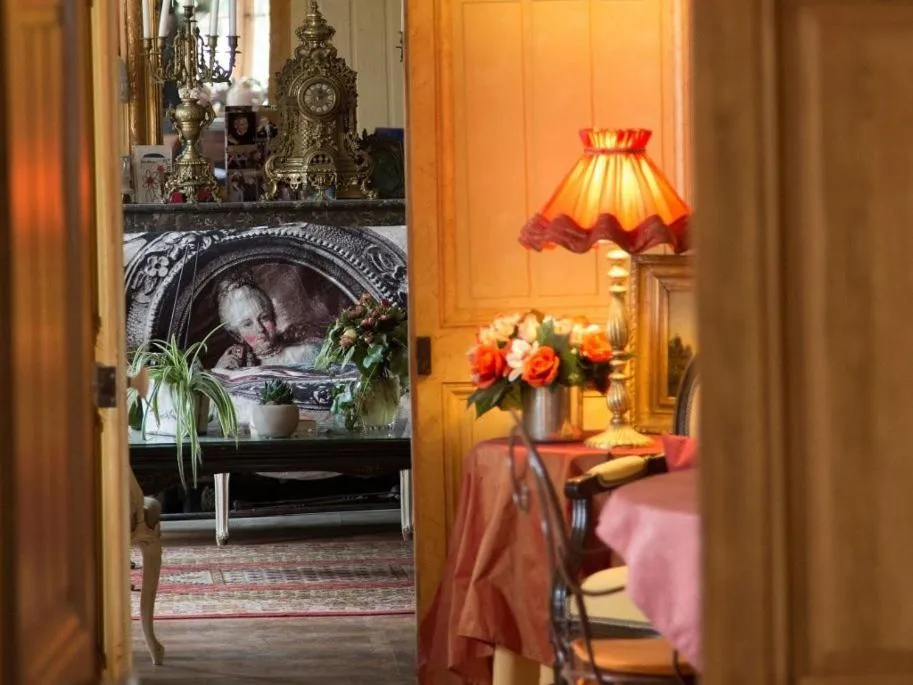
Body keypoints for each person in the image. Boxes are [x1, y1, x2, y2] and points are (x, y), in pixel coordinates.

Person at [214, 275, 324, 370]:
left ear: (273, 318)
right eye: (248, 324)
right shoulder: (242, 369)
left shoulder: (306, 353)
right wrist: (218, 372)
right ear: (238, 335)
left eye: (264, 318)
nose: (260, 328)